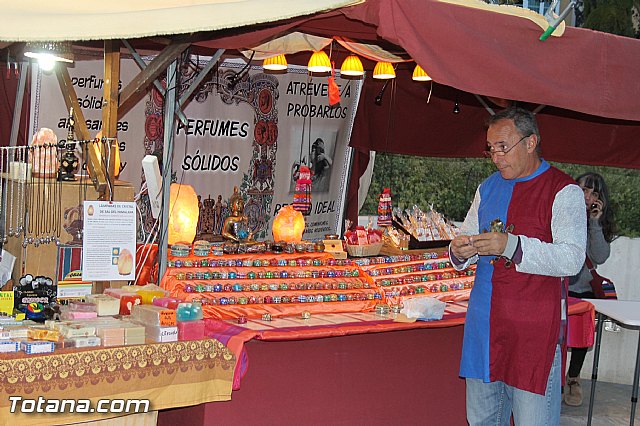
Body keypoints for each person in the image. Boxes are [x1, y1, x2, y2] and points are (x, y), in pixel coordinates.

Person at [449, 107, 586, 425]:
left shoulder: (563, 191)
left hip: (533, 332)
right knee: (482, 421)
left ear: (531, 142)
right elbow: (467, 239)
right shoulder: (487, 188)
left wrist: (512, 246)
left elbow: (572, 258)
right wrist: (460, 250)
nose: (496, 157)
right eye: (491, 148)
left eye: (503, 147)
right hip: (484, 325)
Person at [564, 172, 615, 407]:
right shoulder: (561, 212)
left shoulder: (596, 220)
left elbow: (600, 256)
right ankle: (553, 378)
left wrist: (594, 223)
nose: (587, 196)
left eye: (593, 192)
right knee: (556, 337)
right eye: (583, 189)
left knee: (582, 339)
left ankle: (573, 379)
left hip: (583, 289)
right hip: (559, 286)